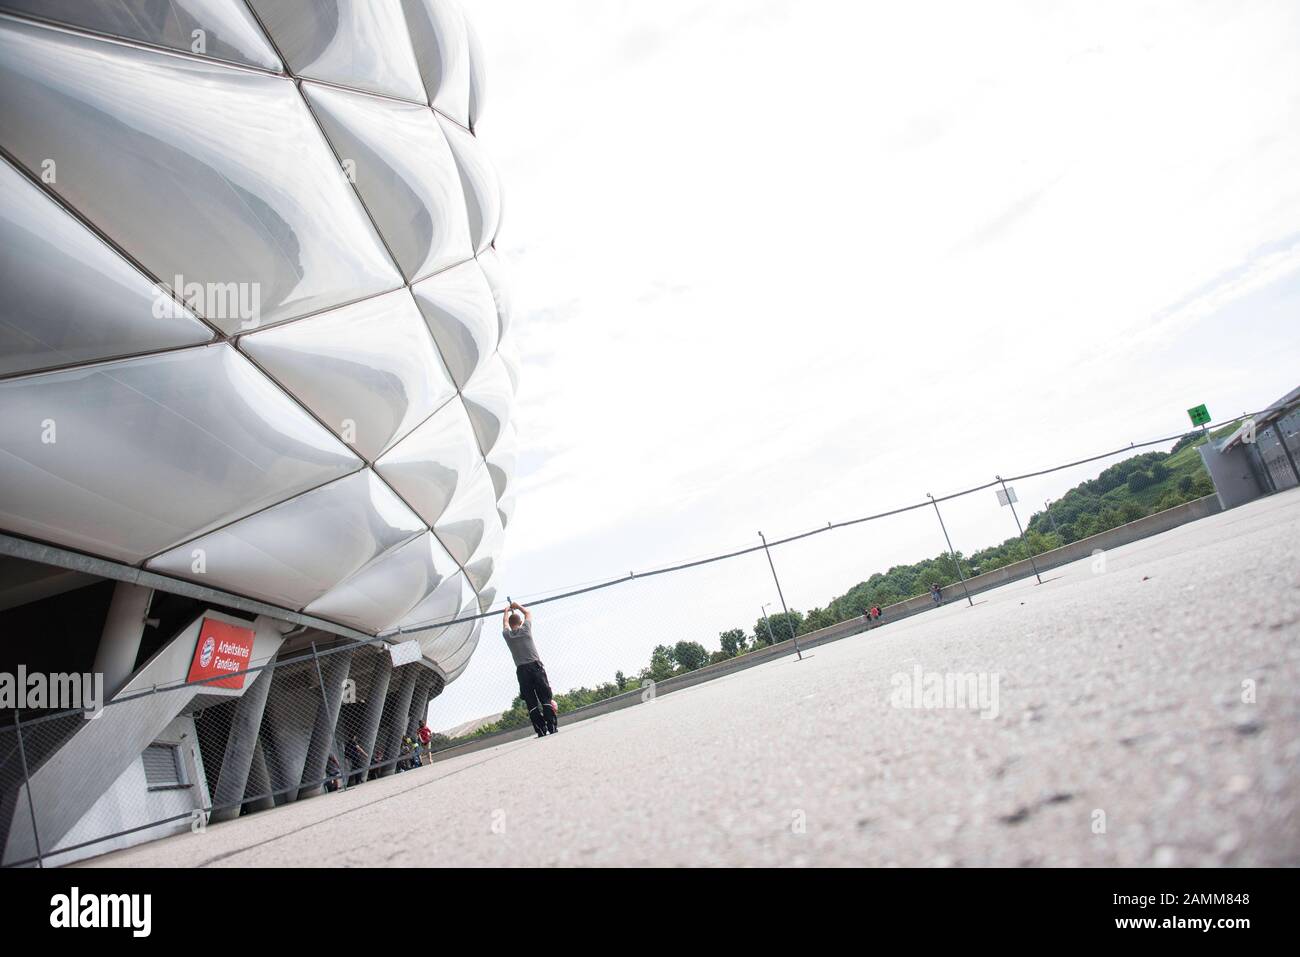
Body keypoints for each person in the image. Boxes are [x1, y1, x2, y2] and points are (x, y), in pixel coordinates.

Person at [502, 599, 558, 737]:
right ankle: (551, 726)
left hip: (522, 671)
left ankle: (540, 730)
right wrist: (517, 606)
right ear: (520, 622)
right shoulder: (526, 630)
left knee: (531, 702)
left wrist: (505, 612)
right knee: (545, 697)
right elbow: (527, 612)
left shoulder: (507, 635)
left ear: (510, 624)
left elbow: (504, 624)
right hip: (536, 667)